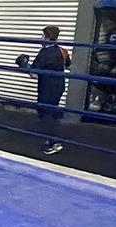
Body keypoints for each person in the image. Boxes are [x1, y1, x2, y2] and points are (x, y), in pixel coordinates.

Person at [27, 25, 72, 155]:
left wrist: (23, 64)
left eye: (42, 35)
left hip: (47, 86)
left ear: (47, 37)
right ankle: (51, 139)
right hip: (59, 85)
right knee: (51, 111)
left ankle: (53, 142)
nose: (40, 38)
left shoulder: (44, 53)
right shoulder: (62, 51)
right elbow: (69, 64)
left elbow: (34, 74)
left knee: (46, 113)